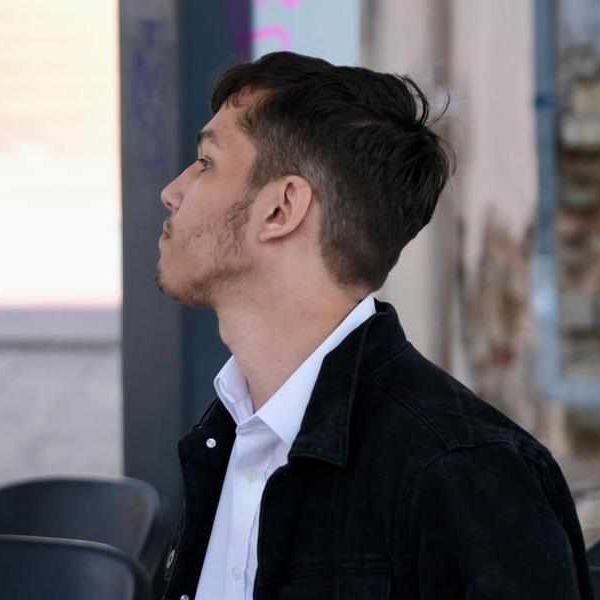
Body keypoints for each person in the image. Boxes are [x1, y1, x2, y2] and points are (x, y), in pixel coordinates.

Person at [156, 51, 594, 600]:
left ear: (281, 208)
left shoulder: (465, 473)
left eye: (206, 162)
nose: (173, 191)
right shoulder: (225, 437)